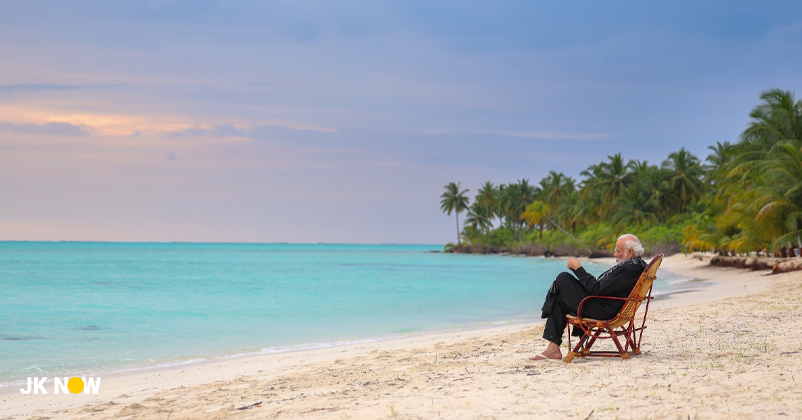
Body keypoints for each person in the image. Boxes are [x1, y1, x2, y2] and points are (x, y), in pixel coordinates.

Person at [530, 234, 647, 361]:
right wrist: (592, 281)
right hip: (605, 305)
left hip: (603, 310)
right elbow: (605, 287)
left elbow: (596, 289)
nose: (615, 254)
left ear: (629, 252)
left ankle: (547, 311)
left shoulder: (629, 269)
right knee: (559, 300)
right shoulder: (635, 266)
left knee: (563, 278)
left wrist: (577, 268)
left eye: (617, 251)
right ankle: (553, 350)